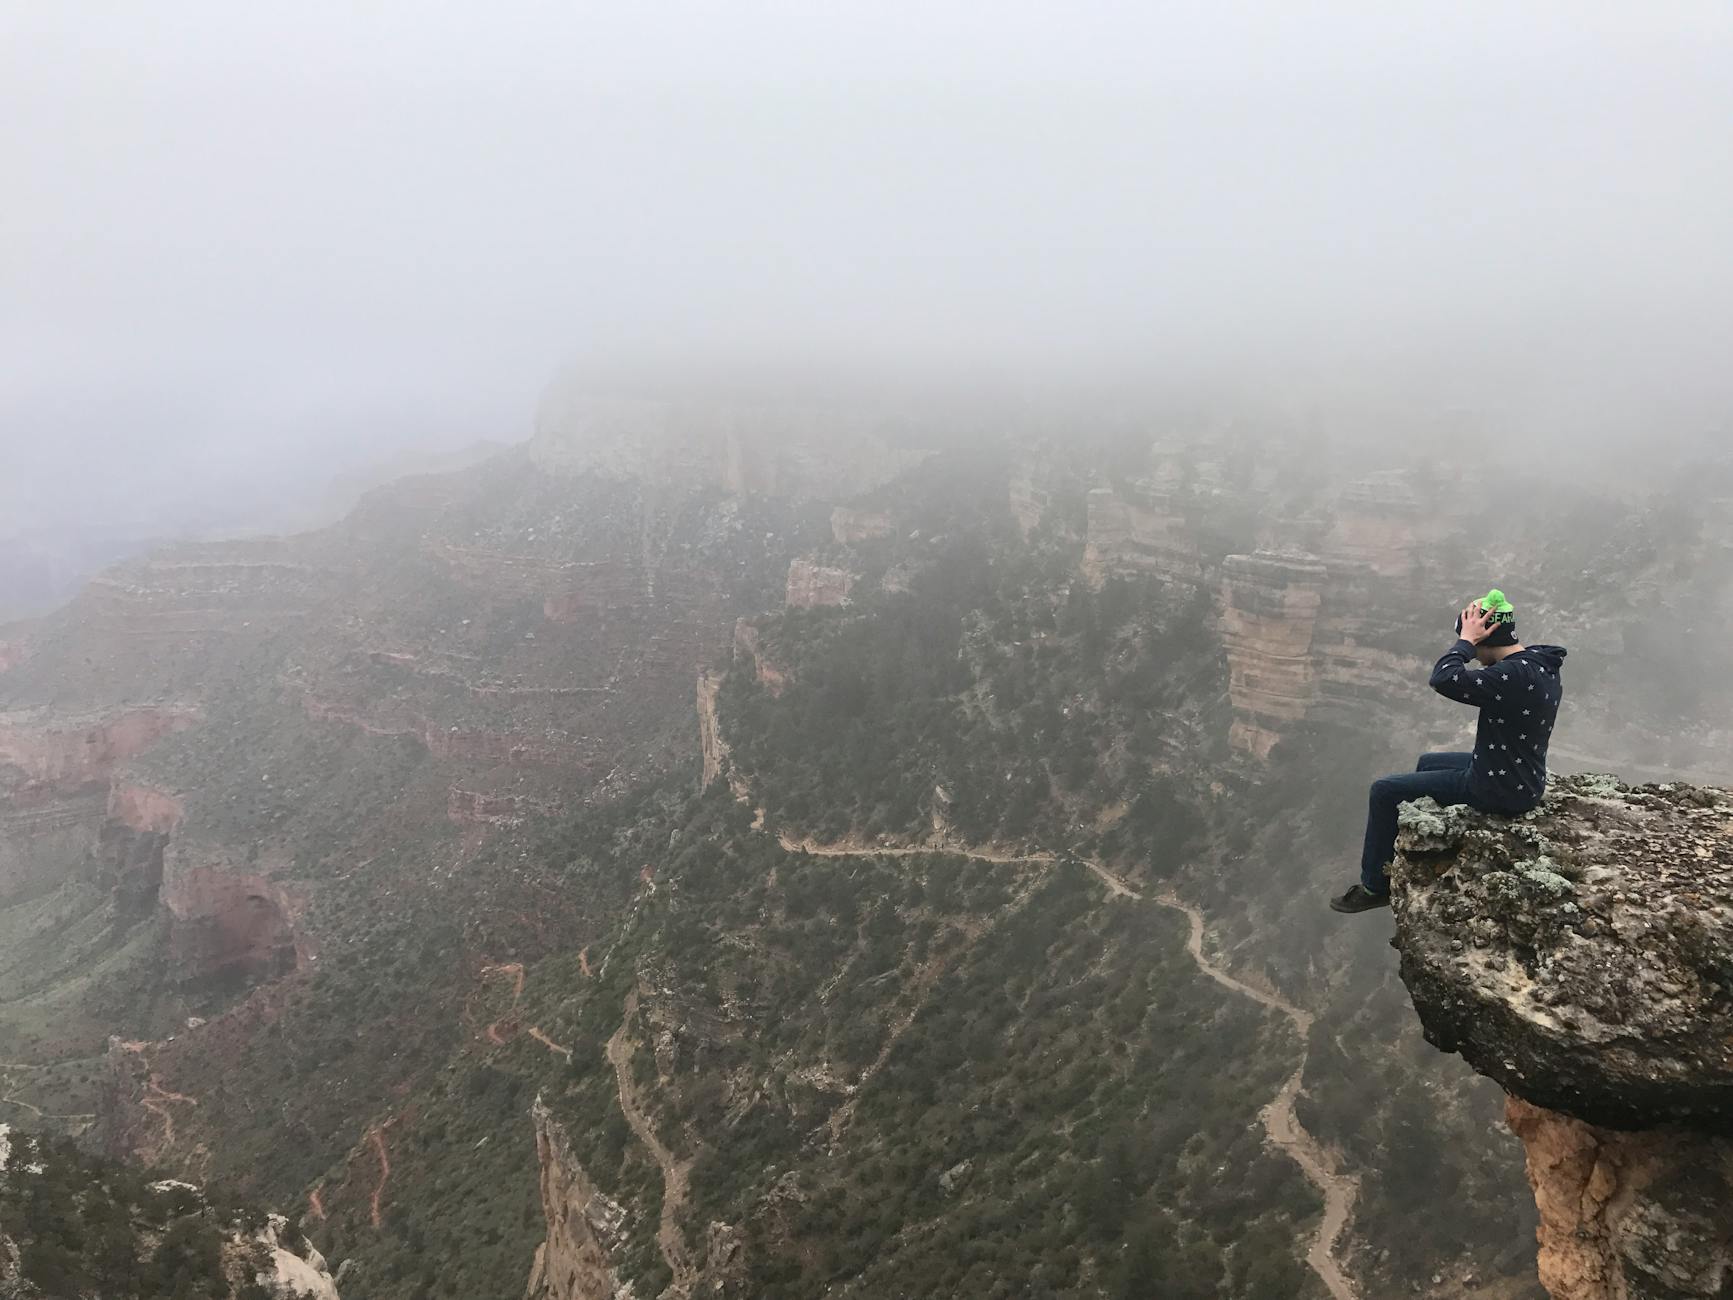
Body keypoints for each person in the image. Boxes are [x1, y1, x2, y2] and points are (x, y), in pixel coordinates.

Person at [1331, 589, 1568, 914]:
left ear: (1485, 637)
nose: (1473, 653)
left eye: (1474, 642)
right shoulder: (1538, 661)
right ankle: (1418, 838)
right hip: (1520, 774)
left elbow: (1444, 679)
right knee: (1428, 762)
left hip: (1498, 788)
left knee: (1384, 790)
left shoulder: (1511, 676)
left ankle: (1374, 886)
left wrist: (1465, 643)